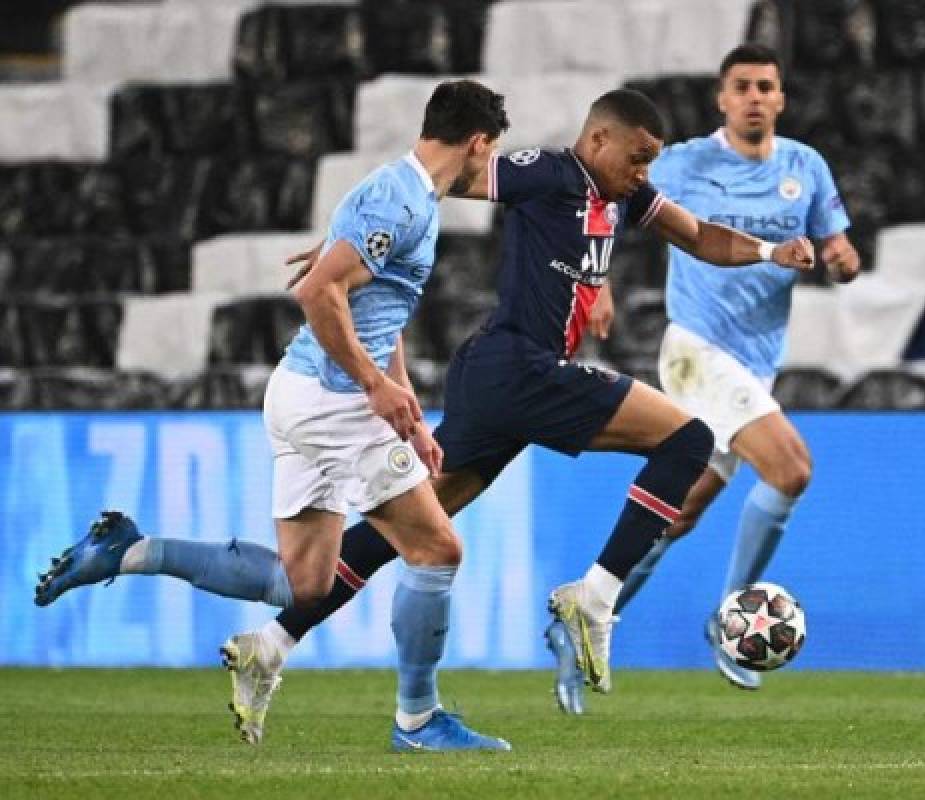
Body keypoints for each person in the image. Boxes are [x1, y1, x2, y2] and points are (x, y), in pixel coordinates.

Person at [218, 86, 818, 736]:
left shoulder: (628, 196)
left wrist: (769, 252)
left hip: (499, 381)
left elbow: (700, 235)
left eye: (651, 163)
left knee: (409, 531)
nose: (643, 174)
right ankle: (595, 597)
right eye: (637, 159)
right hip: (517, 366)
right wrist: (350, 246)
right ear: (598, 142)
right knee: (687, 440)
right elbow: (454, 173)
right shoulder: (549, 173)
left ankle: (270, 646)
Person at [34, 80, 515, 751]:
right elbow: (317, 291)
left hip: (306, 395)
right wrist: (375, 386)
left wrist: (401, 406)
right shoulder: (401, 199)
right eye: (487, 154)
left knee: (304, 583)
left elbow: (378, 307)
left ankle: (131, 550)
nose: (483, 168)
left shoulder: (402, 198)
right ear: (477, 142)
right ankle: (418, 720)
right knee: (437, 549)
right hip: (332, 401)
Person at [551, 43, 861, 709]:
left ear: (780, 98)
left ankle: (583, 624)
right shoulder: (687, 161)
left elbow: (836, 241)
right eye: (742, 86)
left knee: (677, 515)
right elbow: (604, 202)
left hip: (753, 366)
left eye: (766, 86)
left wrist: (838, 257)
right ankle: (733, 624)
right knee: (791, 468)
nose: (754, 96)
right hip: (695, 351)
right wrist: (594, 280)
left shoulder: (805, 168)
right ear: (723, 98)